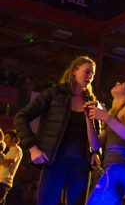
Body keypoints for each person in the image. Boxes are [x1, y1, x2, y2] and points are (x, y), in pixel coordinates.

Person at [14, 55, 99, 205]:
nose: (90, 76)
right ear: (74, 71)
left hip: (80, 165)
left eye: (93, 74)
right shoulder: (54, 93)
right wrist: (32, 148)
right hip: (55, 161)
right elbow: (21, 117)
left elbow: (96, 136)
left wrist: (96, 153)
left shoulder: (91, 100)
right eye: (87, 72)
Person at [86, 81, 125, 205]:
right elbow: (95, 145)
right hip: (112, 170)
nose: (117, 83)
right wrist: (89, 119)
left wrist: (106, 118)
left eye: (123, 83)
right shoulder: (112, 115)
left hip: (119, 169)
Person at [0, 130, 23, 205]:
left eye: (7, 138)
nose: (4, 140)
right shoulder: (11, 151)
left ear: (14, 139)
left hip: (4, 182)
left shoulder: (16, 149)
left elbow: (7, 163)